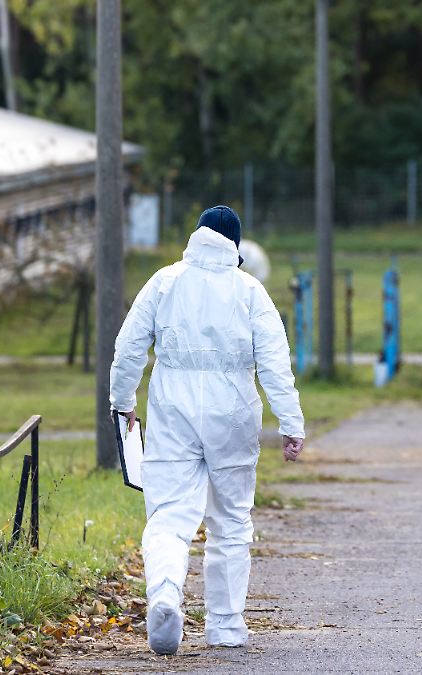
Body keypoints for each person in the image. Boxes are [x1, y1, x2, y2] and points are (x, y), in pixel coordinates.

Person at [109, 205, 305, 655]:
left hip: (172, 411)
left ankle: (163, 596)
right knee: (232, 521)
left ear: (196, 235)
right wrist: (291, 423)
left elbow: (128, 347)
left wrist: (122, 405)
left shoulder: (164, 281)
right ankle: (226, 627)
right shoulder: (250, 291)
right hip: (233, 413)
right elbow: (276, 364)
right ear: (236, 245)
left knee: (169, 517)